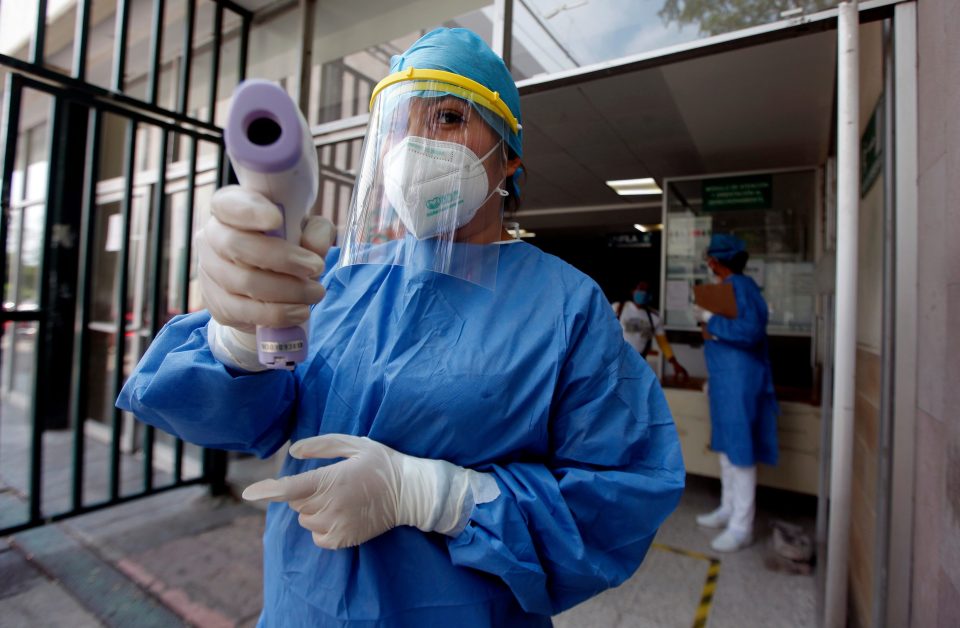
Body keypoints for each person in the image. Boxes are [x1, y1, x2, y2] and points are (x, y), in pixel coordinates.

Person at [117, 28, 684, 627]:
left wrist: (435, 495)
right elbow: (241, 420)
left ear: (509, 158)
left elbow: (622, 495)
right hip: (302, 604)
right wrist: (237, 340)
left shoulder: (566, 306)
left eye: (445, 117)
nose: (414, 145)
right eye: (398, 124)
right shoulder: (335, 277)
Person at [692, 233, 779, 553]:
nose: (709, 265)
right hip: (727, 379)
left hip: (741, 379)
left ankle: (742, 526)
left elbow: (749, 332)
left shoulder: (742, 288)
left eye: (710, 260)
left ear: (717, 261)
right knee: (727, 448)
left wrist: (711, 319)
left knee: (739, 450)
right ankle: (728, 508)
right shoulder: (728, 290)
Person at [612, 281, 689, 383]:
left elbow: (663, 343)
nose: (642, 293)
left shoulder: (655, 317)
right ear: (633, 291)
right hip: (617, 363)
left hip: (638, 364)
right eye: (640, 289)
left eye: (645, 291)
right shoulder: (618, 308)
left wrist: (674, 363)